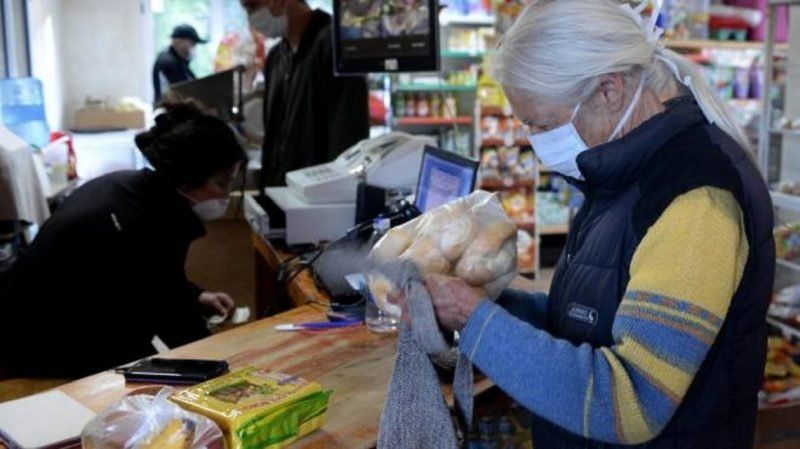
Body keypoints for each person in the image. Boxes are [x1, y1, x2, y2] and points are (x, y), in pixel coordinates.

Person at [415, 1, 774, 448]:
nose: (536, 140)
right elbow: (592, 322)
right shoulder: (623, 169)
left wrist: (475, 320)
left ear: (609, 90)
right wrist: (492, 303)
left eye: (542, 123)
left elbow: (630, 404)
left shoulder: (695, 201)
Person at [0, 102, 247, 377]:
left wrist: (195, 297)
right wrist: (222, 368)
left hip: (47, 320)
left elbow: (158, 282)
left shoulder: (136, 190)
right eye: (222, 183)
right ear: (188, 179)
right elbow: (171, 316)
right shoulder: (141, 220)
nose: (227, 196)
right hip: (38, 342)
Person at [240, 0, 369, 188]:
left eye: (253, 6)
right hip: (281, 193)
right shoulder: (277, 57)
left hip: (319, 197)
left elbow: (347, 133)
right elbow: (274, 139)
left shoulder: (337, 47)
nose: (251, 17)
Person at [152, 24, 207, 103]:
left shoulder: (180, 61)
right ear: (177, 41)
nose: (193, 47)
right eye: (192, 43)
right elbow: (184, 90)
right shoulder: (168, 62)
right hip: (170, 111)